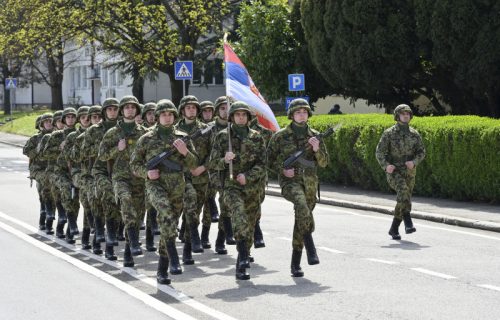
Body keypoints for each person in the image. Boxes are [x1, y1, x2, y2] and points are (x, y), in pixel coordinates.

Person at [130, 99, 198, 284]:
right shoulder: (147, 139)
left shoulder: (182, 137)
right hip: (156, 184)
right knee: (166, 215)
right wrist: (146, 173)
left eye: (170, 114)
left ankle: (162, 269)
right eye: (163, 114)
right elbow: (134, 165)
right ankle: (174, 257)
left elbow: (194, 165)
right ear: (157, 117)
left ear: (174, 116)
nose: (167, 118)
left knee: (170, 224)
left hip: (177, 185)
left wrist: (185, 152)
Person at [267, 98, 329, 278]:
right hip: (290, 182)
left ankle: (295, 263)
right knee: (302, 207)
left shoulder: (315, 136)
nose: (301, 115)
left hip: (310, 183)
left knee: (301, 219)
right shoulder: (280, 136)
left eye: (304, 112)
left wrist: (317, 150)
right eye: (298, 112)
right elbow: (268, 159)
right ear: (291, 115)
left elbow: (324, 163)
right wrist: (282, 170)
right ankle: (310, 245)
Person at [209, 101, 266, 280]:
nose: (240, 118)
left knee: (249, 225)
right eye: (237, 115)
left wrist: (248, 176)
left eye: (244, 115)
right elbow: (212, 163)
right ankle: (241, 262)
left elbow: (263, 164)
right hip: (231, 187)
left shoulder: (257, 137)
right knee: (240, 219)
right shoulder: (222, 137)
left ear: (248, 117)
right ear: (232, 117)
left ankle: (244, 255)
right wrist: (224, 161)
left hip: (251, 188)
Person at [99, 96, 148, 266]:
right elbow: (102, 155)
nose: (130, 110)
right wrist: (116, 149)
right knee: (125, 202)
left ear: (137, 110)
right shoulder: (112, 133)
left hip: (139, 179)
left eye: (133, 107)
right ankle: (134, 242)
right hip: (120, 178)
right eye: (126, 107)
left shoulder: (143, 133)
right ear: (121, 111)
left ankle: (128, 251)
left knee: (137, 214)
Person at [376, 104, 425, 240]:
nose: (406, 116)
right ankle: (408, 221)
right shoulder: (389, 133)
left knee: (404, 200)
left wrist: (414, 162)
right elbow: (379, 152)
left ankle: (394, 228)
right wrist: (386, 166)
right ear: (397, 116)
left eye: (408, 114)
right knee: (403, 191)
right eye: (403, 113)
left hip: (409, 171)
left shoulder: (414, 134)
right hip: (394, 170)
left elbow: (421, 152)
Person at [175, 95, 212, 265]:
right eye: (188, 107)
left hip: (200, 177)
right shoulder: (174, 130)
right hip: (181, 177)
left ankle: (188, 249)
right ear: (182, 110)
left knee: (194, 214)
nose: (191, 110)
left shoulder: (206, 129)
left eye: (194, 108)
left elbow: (215, 153)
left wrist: (202, 168)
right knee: (189, 207)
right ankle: (192, 243)